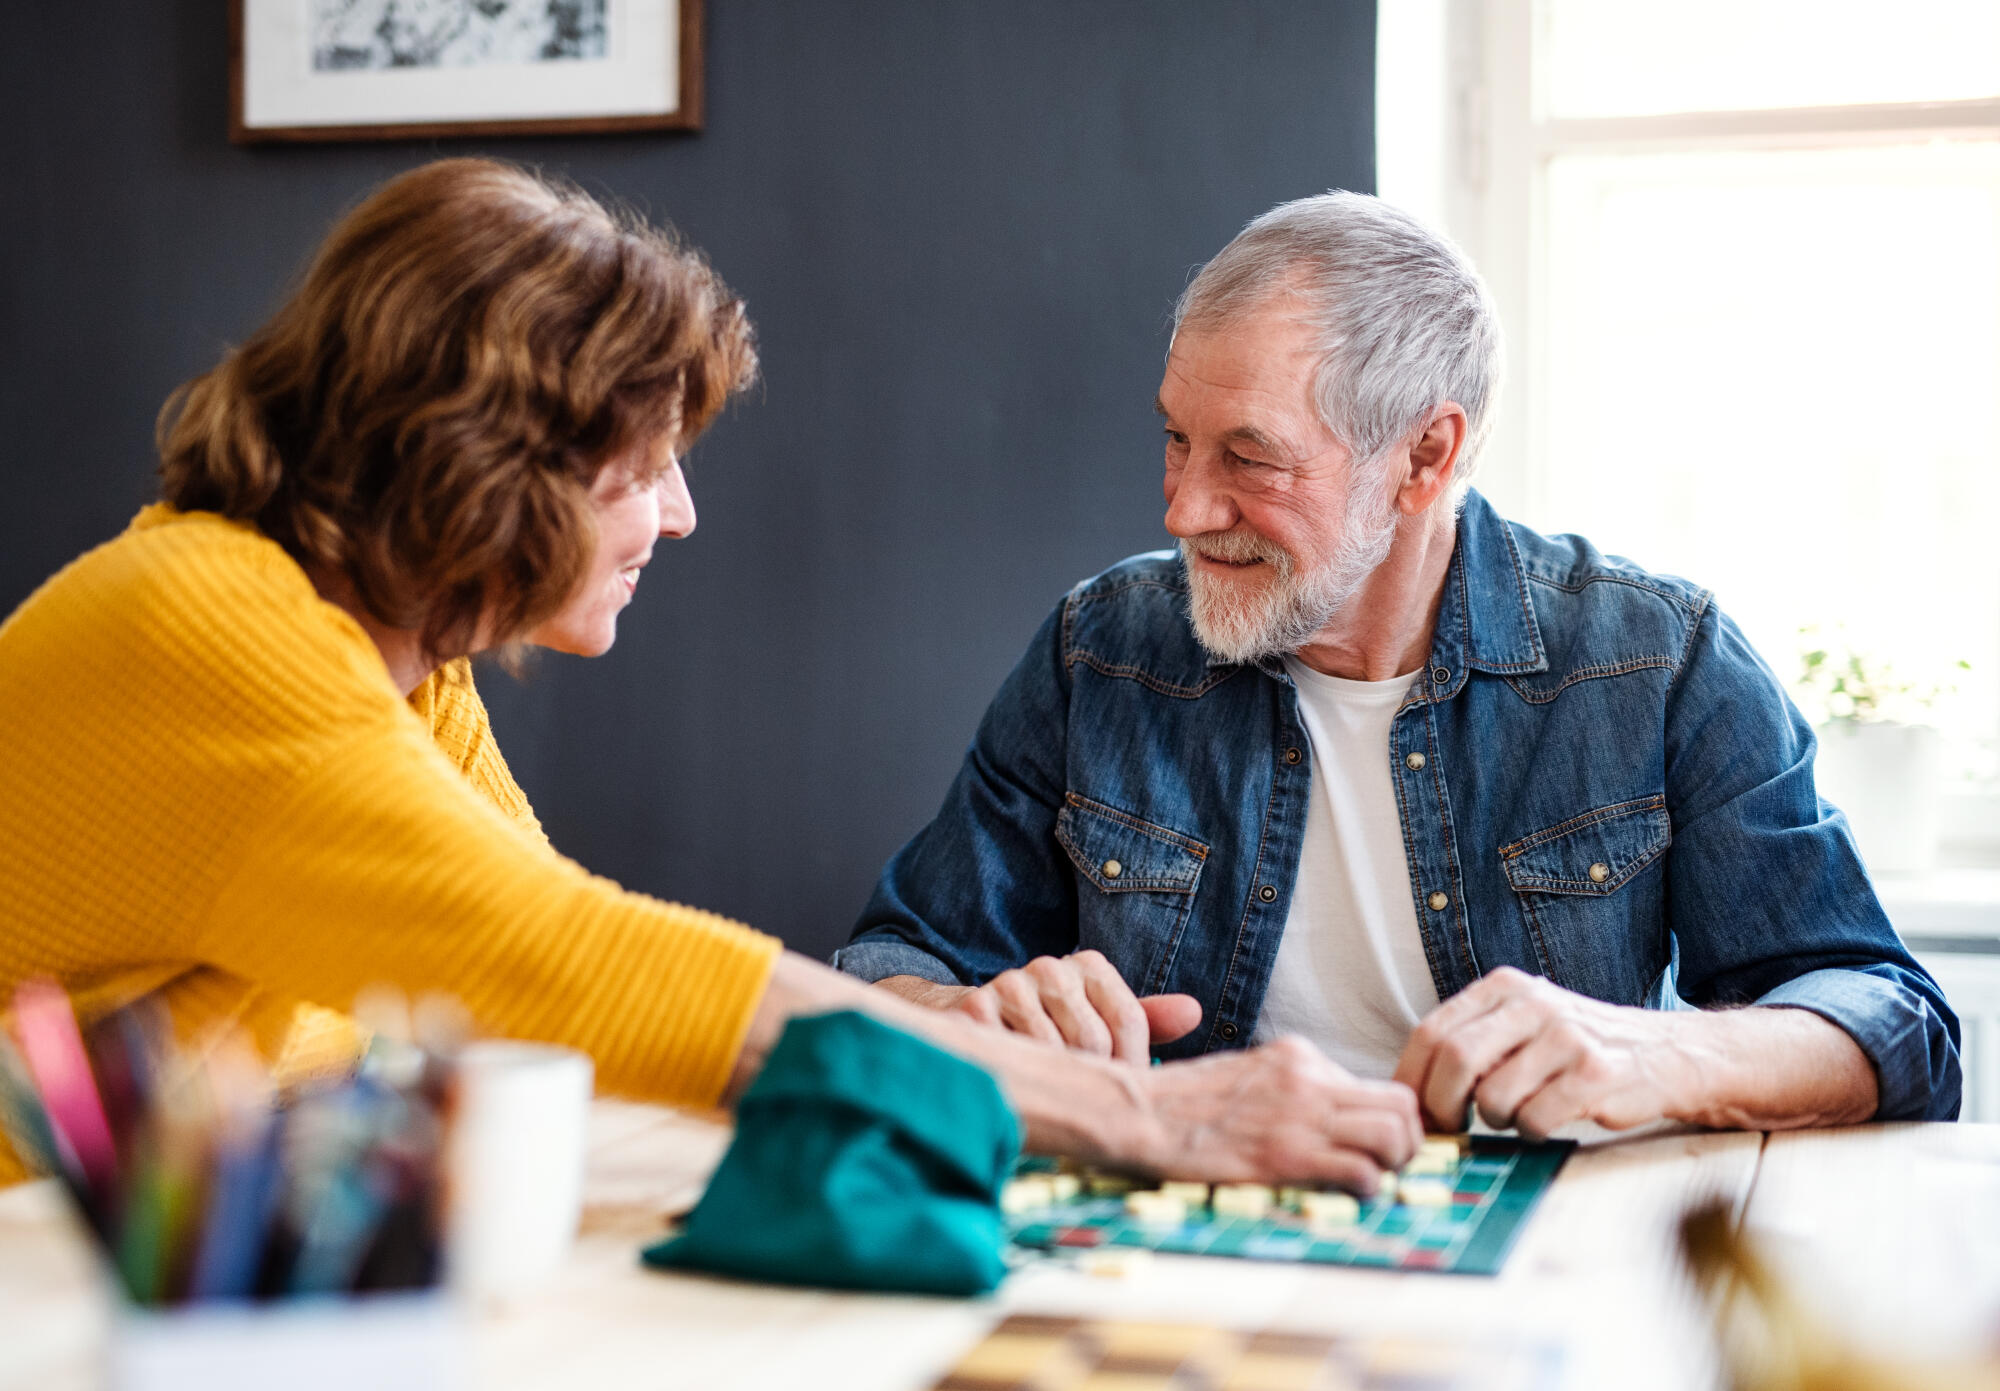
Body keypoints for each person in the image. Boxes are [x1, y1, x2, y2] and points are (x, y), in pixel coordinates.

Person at [0, 160, 1421, 1190]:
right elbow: (574, 968)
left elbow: (550, 1001)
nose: (678, 514)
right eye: (644, 466)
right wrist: (1151, 1116)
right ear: (487, 464)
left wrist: (945, 1040)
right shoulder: (204, 628)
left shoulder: (398, 661)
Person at [835, 191, 1962, 1135]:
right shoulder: (1101, 650)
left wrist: (1653, 1051)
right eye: (1176, 438)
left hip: (1541, 1255)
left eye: (1250, 458)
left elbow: (1892, 1022)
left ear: (1425, 454)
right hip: (1182, 1232)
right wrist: (967, 1015)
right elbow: (889, 963)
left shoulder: (1656, 659)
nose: (1182, 508)